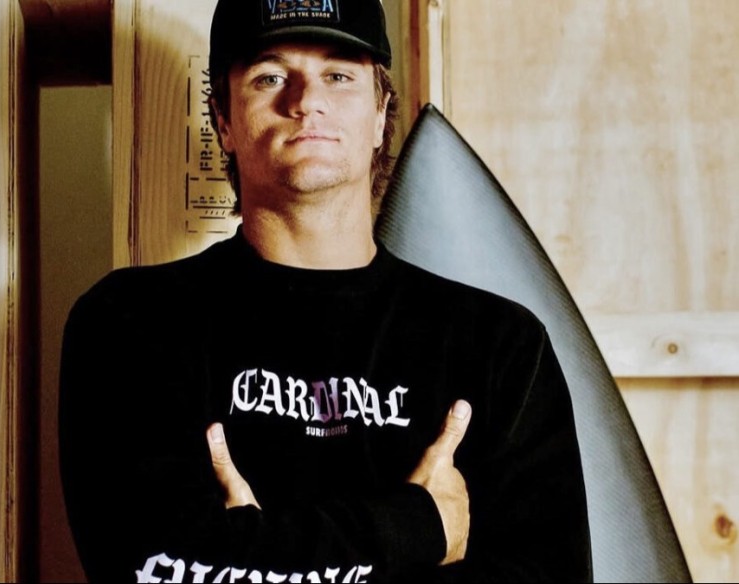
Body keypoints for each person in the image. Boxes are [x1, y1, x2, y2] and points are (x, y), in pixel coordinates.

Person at [59, 0, 592, 582]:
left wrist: (253, 555)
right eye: (270, 77)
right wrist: (416, 528)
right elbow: (148, 565)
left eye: (338, 75)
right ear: (223, 122)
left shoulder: (499, 345)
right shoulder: (131, 323)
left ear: (380, 114)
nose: (306, 100)